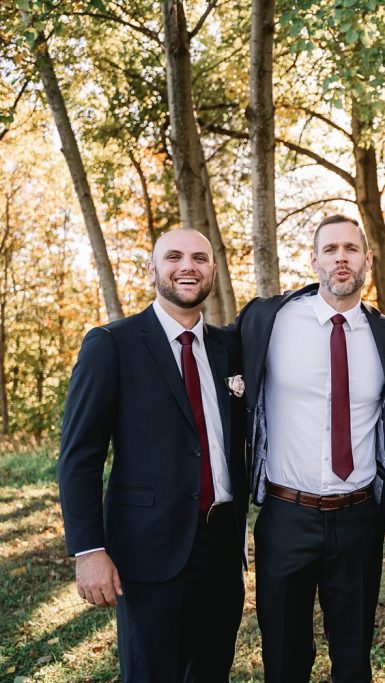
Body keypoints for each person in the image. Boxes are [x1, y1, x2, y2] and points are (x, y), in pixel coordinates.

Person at [59, 228, 248, 681]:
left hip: (221, 549)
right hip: (147, 551)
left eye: (200, 258)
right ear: (153, 270)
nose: (188, 266)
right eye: (174, 257)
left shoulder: (230, 348)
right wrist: (89, 551)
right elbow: (79, 456)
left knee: (210, 673)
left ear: (213, 271)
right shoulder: (112, 344)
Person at [233, 214, 385, 683]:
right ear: (313, 260)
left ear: (367, 260)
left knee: (353, 660)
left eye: (351, 249)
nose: (341, 258)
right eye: (330, 249)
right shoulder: (267, 320)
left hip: (357, 518)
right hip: (287, 515)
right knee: (286, 659)